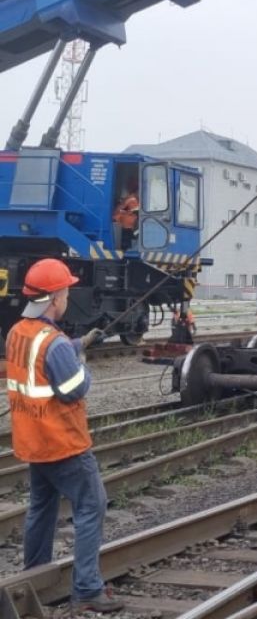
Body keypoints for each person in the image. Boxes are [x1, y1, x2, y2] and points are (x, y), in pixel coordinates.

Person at [6, 259, 123, 613]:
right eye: (66, 291)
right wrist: (82, 359)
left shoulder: (18, 333)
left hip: (33, 441)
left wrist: (77, 342)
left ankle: (35, 575)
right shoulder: (53, 344)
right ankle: (87, 589)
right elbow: (73, 389)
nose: (67, 297)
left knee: (41, 509)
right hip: (63, 443)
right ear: (55, 298)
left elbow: (41, 360)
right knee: (92, 504)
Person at [112, 186, 139, 250]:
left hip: (131, 223)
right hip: (127, 223)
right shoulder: (132, 199)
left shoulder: (135, 199)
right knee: (128, 238)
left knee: (133, 236)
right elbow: (120, 210)